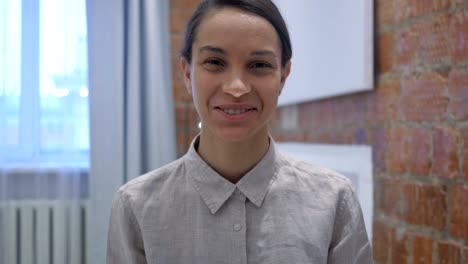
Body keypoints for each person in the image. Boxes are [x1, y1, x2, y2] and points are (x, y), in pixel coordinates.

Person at [107, 0, 373, 263]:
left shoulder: (334, 200)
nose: (237, 87)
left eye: (259, 65)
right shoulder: (136, 206)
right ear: (187, 74)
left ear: (283, 76)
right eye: (214, 62)